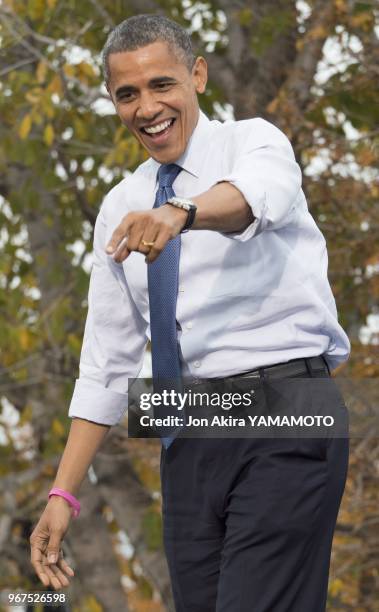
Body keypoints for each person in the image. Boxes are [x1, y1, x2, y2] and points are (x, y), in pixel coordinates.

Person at [30, 14, 350, 611]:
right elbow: (106, 365)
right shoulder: (119, 206)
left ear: (197, 75)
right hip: (189, 426)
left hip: (285, 410)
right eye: (128, 94)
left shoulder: (253, 142)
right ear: (113, 101)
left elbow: (259, 196)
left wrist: (181, 211)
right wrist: (63, 496)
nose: (147, 107)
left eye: (162, 85)